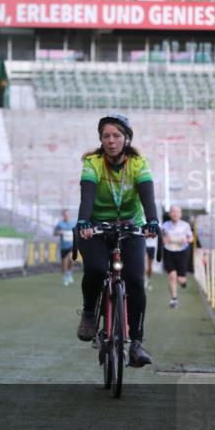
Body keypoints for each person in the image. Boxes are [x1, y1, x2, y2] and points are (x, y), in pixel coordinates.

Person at [75, 113, 160, 368]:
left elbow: (147, 195)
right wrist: (83, 222)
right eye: (106, 136)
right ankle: (90, 312)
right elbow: (86, 195)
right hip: (97, 228)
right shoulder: (92, 163)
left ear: (127, 138)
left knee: (134, 279)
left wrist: (153, 221)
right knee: (95, 269)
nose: (111, 141)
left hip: (130, 227)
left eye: (117, 136)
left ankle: (136, 342)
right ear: (100, 140)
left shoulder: (138, 163)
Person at [161, 205, 193, 309]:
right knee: (172, 275)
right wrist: (163, 240)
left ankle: (183, 282)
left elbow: (191, 238)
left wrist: (187, 240)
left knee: (180, 279)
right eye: (173, 212)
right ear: (170, 214)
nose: (175, 214)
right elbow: (162, 237)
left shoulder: (186, 225)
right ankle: (174, 299)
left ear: (180, 214)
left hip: (182, 252)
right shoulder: (165, 225)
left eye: (177, 212)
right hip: (169, 251)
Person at [53, 209, 75, 286]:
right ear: (63, 216)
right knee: (64, 262)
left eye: (68, 215)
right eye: (65, 215)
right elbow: (54, 233)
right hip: (64, 246)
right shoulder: (60, 224)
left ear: (70, 215)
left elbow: (78, 232)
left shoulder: (73, 223)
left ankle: (69, 273)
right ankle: (66, 276)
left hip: (72, 245)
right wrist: (59, 232)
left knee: (71, 259)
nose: (67, 216)